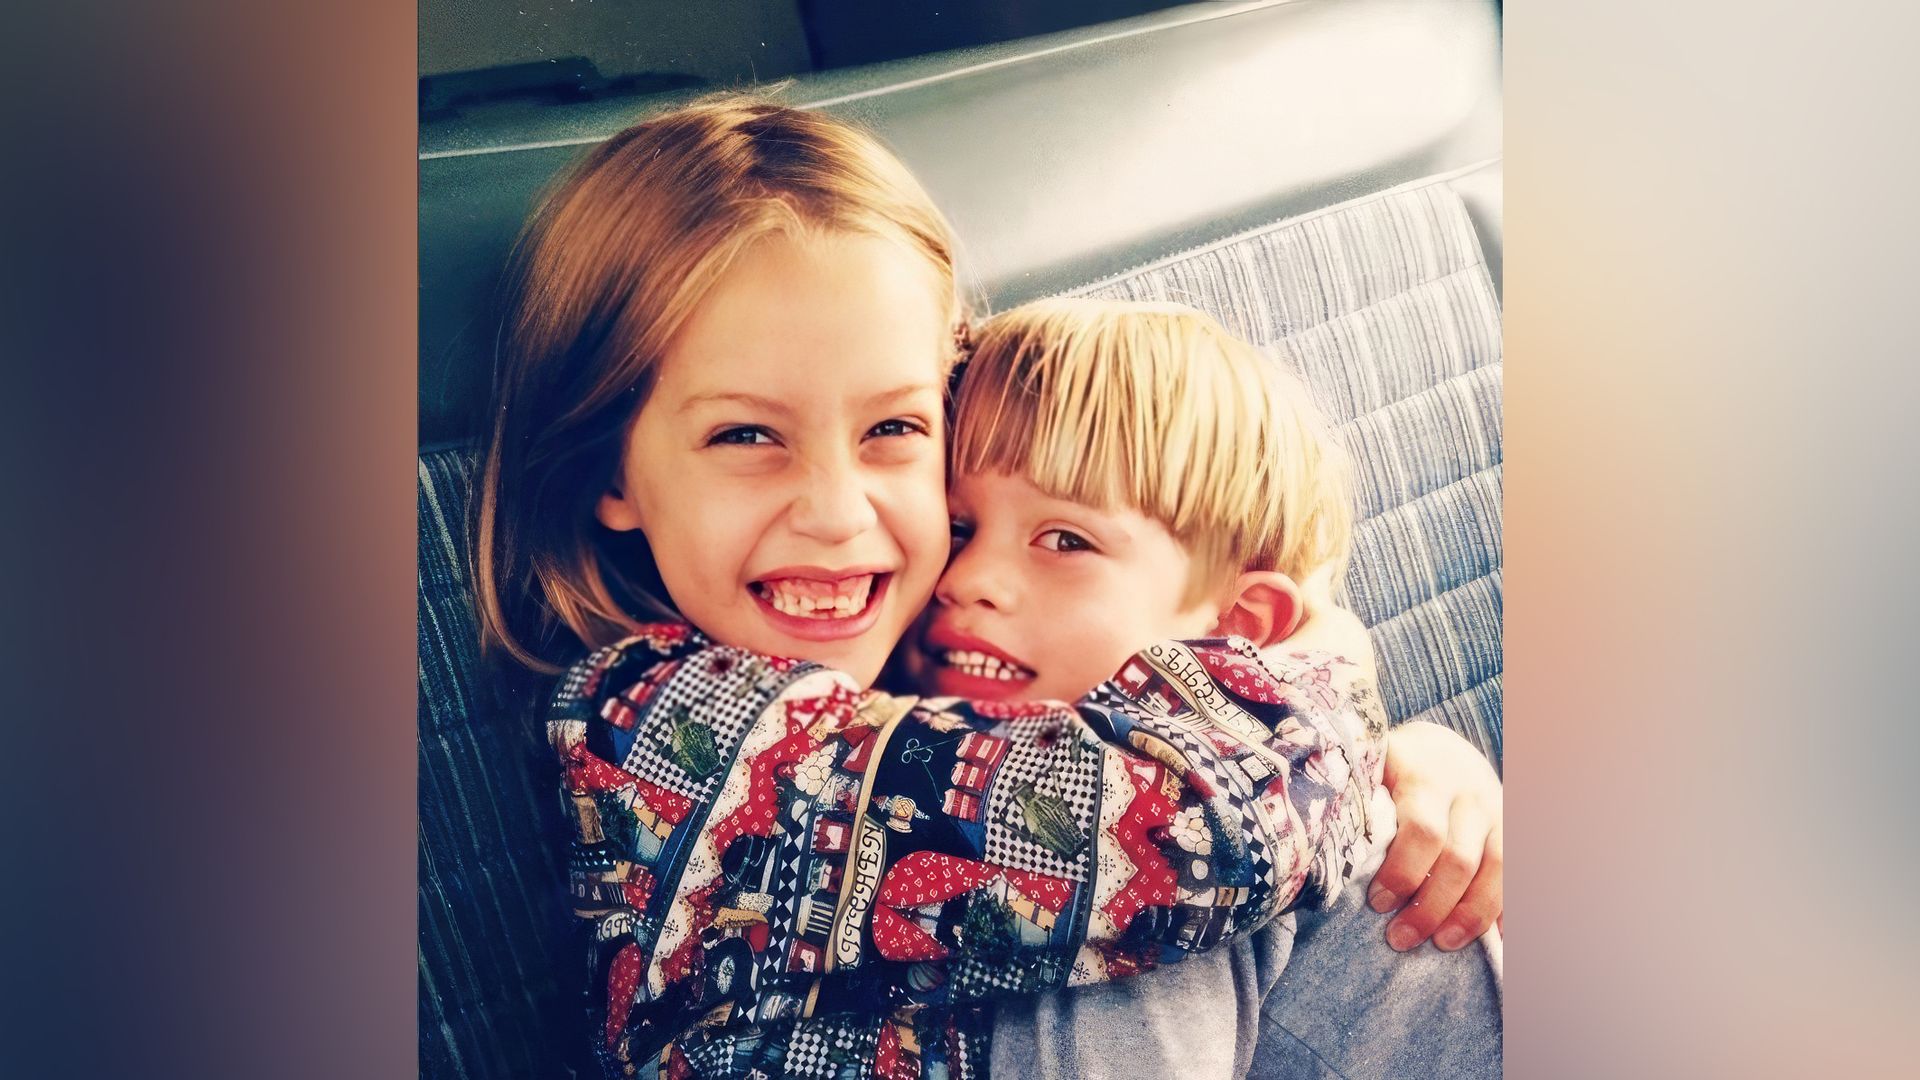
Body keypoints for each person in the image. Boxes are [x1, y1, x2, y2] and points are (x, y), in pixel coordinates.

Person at [470, 93, 1499, 1078]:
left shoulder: (947, 646)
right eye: (746, 436)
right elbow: (1175, 839)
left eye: (895, 431)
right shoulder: (654, 722)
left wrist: (1407, 773)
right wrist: (1329, 682)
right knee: (1148, 924)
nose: (836, 510)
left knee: (1371, 890)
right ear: (609, 470)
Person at [913, 297, 1500, 1078]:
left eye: (1065, 540)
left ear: (1237, 631)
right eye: (955, 528)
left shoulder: (1154, 857)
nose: (967, 577)